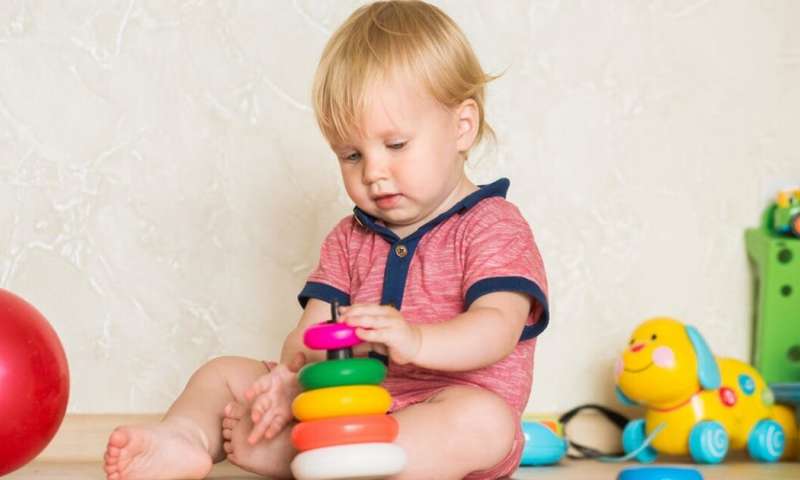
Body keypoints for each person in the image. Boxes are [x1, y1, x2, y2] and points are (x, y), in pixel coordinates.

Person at [103, 1, 548, 479]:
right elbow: (308, 337)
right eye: (352, 155)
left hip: (445, 409)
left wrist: (415, 340)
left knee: (483, 421)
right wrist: (290, 380)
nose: (373, 172)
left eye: (396, 145)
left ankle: (317, 460)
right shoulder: (349, 238)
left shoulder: (494, 225)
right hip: (348, 407)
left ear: (462, 127)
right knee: (224, 374)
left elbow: (496, 328)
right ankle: (184, 438)